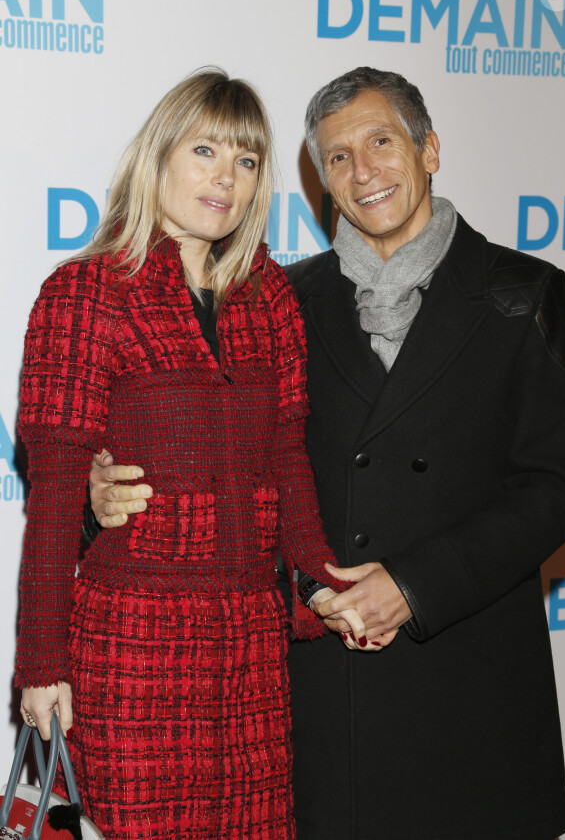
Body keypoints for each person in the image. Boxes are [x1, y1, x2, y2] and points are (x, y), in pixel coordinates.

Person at [85, 67, 565, 840]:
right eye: (336, 158)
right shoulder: (276, 297)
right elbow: (212, 468)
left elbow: (557, 487)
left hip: (469, 685)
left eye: (381, 142)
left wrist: (414, 587)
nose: (362, 172)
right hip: (325, 701)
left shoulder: (523, 290)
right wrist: (99, 491)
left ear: (430, 149)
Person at [15, 67, 369, 840]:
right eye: (205, 150)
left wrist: (322, 580)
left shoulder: (268, 294)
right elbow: (53, 492)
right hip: (133, 643)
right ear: (160, 156)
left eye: (246, 162)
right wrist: (41, 661)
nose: (226, 178)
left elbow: (286, 462)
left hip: (250, 645)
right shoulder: (85, 293)